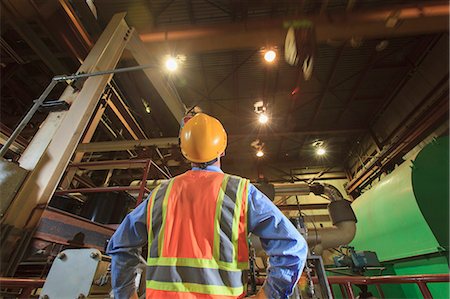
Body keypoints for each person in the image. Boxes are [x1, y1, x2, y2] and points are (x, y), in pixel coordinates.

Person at [107, 113, 308, 299]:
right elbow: (292, 247)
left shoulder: (160, 193)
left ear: (185, 152)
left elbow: (120, 245)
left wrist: (125, 294)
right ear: (222, 149)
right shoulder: (240, 192)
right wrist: (268, 295)